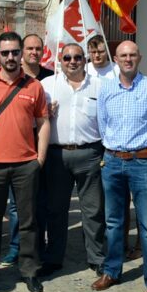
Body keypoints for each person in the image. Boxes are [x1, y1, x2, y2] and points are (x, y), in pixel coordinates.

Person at [0, 31, 50, 292]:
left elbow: (43, 122)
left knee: (28, 222)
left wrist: (40, 158)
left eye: (15, 52)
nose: (10, 57)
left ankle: (29, 272)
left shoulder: (34, 86)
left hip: (25, 165)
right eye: (5, 53)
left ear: (21, 53)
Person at [94, 40, 147, 292]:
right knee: (113, 222)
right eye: (123, 55)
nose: (128, 59)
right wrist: (115, 148)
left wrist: (144, 151)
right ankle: (112, 271)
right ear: (116, 58)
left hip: (142, 162)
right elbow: (103, 125)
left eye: (132, 55)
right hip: (112, 161)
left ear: (140, 57)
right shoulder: (106, 89)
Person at [39, 43, 106, 276]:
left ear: (84, 59)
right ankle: (54, 257)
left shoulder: (100, 85)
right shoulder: (47, 86)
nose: (72, 61)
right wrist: (45, 112)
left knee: (93, 210)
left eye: (77, 57)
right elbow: (33, 118)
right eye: (67, 57)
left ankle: (96, 257)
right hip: (57, 154)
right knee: (56, 210)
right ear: (60, 59)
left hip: (90, 153)